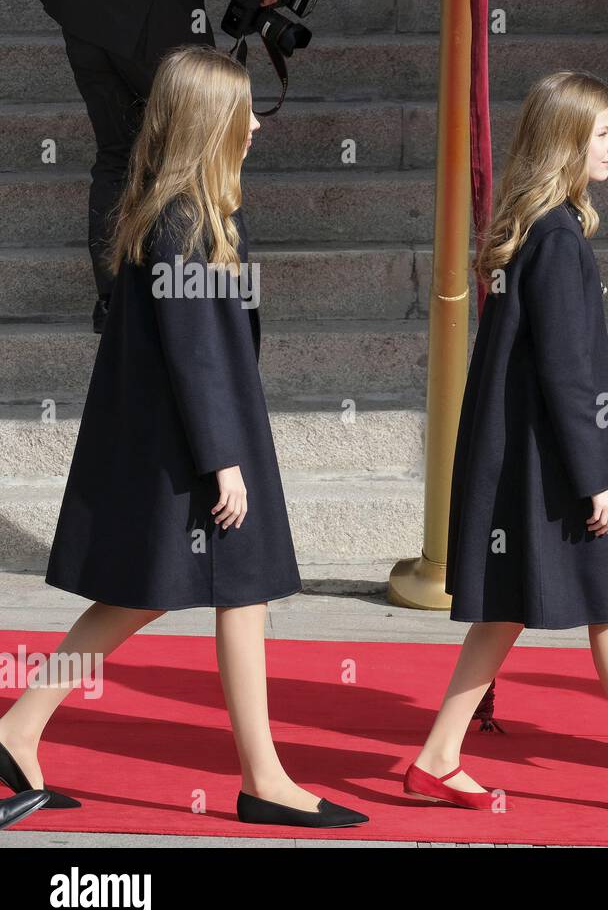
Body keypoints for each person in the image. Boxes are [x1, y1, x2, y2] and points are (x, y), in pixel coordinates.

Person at [0, 45, 366, 830]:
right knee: (225, 594)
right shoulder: (183, 221)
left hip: (196, 439)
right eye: (243, 112)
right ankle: (263, 779)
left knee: (155, 599)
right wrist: (223, 460)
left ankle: (20, 727)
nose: (256, 128)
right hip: (202, 446)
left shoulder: (180, 211)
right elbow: (196, 354)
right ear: (210, 122)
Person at [403, 70, 608, 816]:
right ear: (565, 143)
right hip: (560, 462)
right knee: (597, 599)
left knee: (538, 605)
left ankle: (441, 756)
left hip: (535, 457)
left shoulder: (539, 230)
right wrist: (596, 478)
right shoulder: (557, 239)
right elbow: (566, 373)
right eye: (603, 134)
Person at [24, 0, 282, 333]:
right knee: (205, 140)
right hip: (157, 3)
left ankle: (116, 300)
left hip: (80, 6)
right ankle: (208, 291)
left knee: (117, 154)